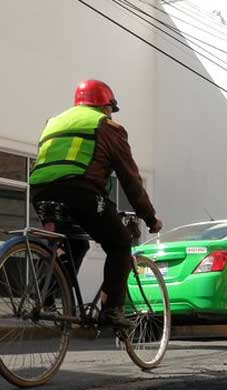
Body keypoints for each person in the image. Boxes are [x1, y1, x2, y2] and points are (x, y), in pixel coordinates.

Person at [29, 79, 162, 329]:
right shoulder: (107, 126)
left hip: (40, 190)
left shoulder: (54, 122)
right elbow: (130, 179)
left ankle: (46, 297)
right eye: (111, 108)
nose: (111, 112)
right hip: (80, 192)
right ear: (105, 105)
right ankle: (111, 311)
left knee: (75, 242)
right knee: (120, 242)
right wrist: (150, 218)